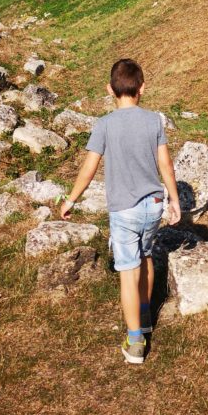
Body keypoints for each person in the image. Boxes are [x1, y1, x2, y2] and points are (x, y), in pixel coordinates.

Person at [60, 58, 181, 364]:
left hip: (124, 210)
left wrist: (71, 199)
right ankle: (145, 316)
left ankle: (136, 341)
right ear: (142, 88)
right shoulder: (154, 120)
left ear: (109, 90)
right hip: (153, 206)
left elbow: (89, 168)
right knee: (146, 256)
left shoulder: (104, 125)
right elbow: (165, 164)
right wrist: (174, 201)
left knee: (128, 271)